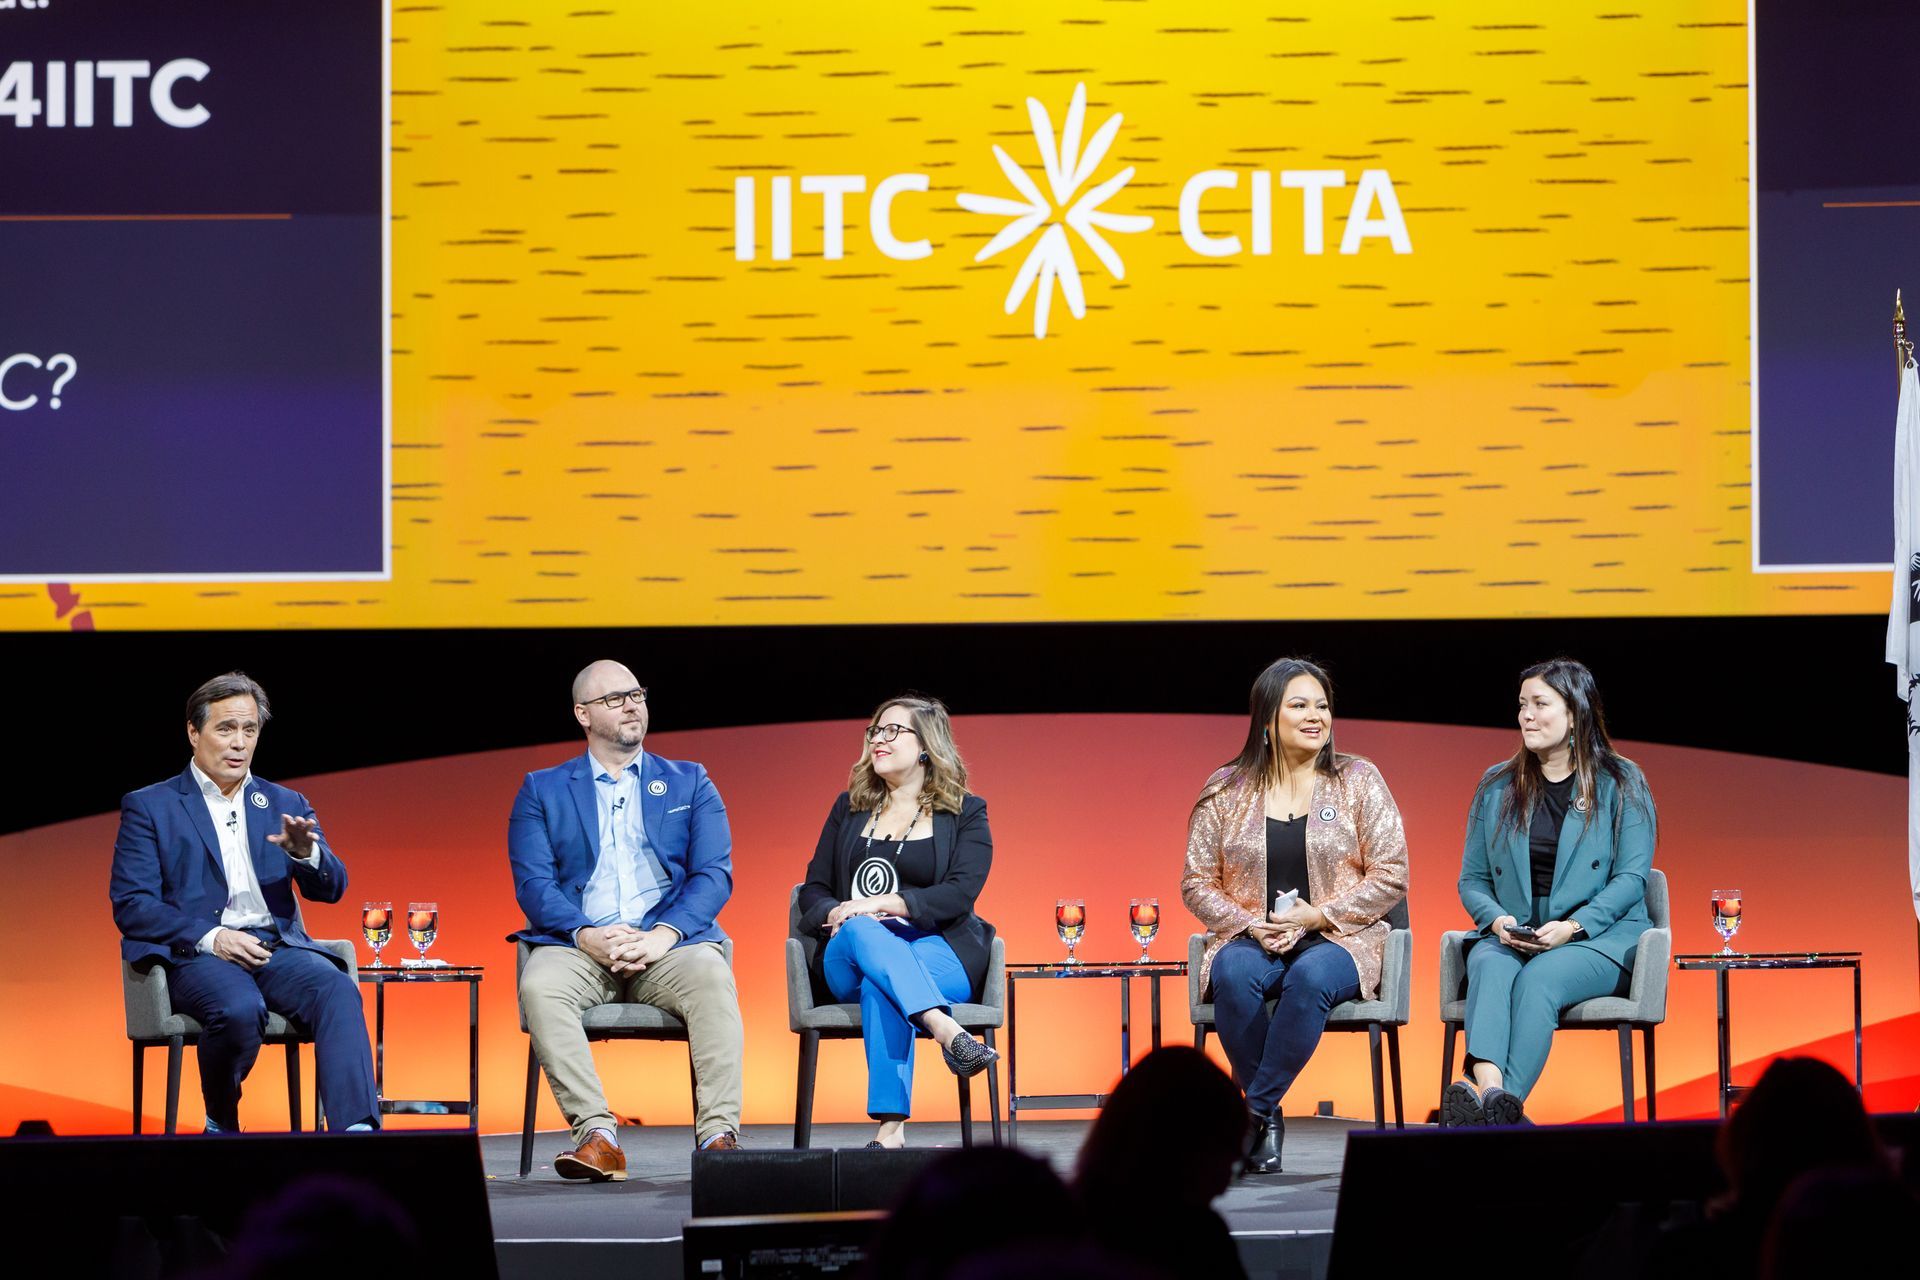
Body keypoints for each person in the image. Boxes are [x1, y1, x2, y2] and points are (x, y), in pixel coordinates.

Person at [109, 672, 379, 1133]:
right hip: (195, 953)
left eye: (249, 730)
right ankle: (222, 1117)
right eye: (225, 729)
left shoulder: (283, 801)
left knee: (336, 989)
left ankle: (355, 1133)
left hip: (275, 949)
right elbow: (131, 904)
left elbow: (332, 888)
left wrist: (305, 853)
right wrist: (213, 938)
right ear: (193, 733)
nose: (239, 744)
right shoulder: (151, 806)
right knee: (238, 1008)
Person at [508, 659, 745, 1181]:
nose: (632, 704)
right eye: (615, 698)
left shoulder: (691, 781)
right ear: (583, 715)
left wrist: (663, 935)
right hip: (579, 946)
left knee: (712, 974)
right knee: (541, 985)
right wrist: (586, 935)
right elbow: (534, 885)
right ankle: (598, 1136)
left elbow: (713, 875)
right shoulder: (541, 789)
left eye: (636, 693)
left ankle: (718, 1139)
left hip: (668, 947)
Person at [1181, 657, 1409, 1174]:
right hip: (1251, 936)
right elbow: (1195, 881)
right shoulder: (1226, 788)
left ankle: (1254, 1113)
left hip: (1341, 939)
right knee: (1234, 975)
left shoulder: (1358, 779)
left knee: (1309, 977)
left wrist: (1318, 917)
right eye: (1300, 705)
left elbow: (1392, 874)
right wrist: (1247, 924)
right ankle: (1267, 1117)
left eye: (1323, 706)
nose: (1316, 717)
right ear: (1267, 719)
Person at [1445, 657, 1655, 1127]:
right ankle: (1496, 1099)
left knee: (1541, 980)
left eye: (1541, 704)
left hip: (1600, 937)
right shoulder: (1497, 785)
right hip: (1517, 933)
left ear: (1576, 714)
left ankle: (1492, 1106)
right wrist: (1498, 921)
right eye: (1522, 705)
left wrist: (1575, 926)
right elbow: (1472, 879)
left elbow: (1632, 878)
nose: (1527, 716)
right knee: (1488, 965)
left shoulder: (1621, 782)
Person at [796, 694, 998, 1149]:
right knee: (864, 933)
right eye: (874, 731)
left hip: (938, 950)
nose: (878, 740)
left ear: (926, 744)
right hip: (850, 949)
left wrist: (884, 903)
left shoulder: (966, 812)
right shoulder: (847, 809)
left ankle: (891, 1130)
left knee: (880, 983)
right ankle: (948, 1031)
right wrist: (841, 911)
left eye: (893, 731)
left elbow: (959, 893)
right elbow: (813, 889)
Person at [1073, 1047, 1249, 1280]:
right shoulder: (1199, 1239)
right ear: (1187, 1154)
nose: (1225, 1185)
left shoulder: (1059, 1225)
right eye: (1229, 1162)